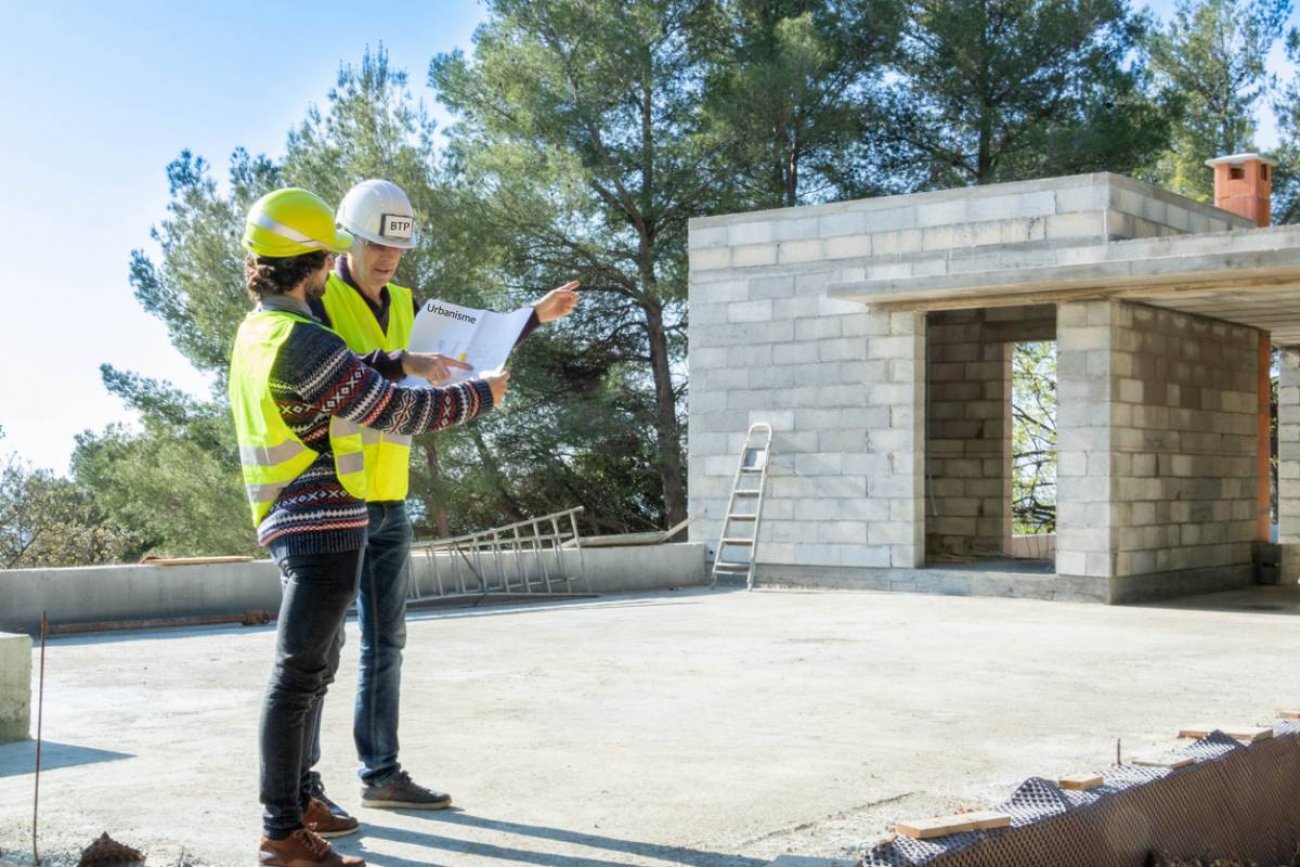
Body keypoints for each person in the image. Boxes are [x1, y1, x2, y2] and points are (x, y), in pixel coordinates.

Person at [230, 187, 506, 866]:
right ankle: (282, 831)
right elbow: (392, 410)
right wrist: (483, 395)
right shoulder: (303, 340)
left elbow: (355, 374)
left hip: (295, 517)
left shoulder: (262, 330)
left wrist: (402, 361)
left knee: (314, 669)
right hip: (320, 522)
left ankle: (300, 800)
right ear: (321, 261)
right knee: (300, 673)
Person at [302, 178, 579, 825]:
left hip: (390, 498)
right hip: (335, 499)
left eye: (397, 248)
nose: (388, 259)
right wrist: (405, 363)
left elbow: (467, 352)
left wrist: (532, 317)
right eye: (376, 245)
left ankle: (381, 773)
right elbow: (347, 373)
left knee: (386, 642)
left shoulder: (405, 300)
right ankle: (305, 786)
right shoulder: (319, 299)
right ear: (350, 238)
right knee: (319, 651)